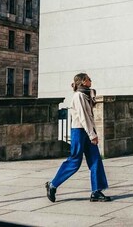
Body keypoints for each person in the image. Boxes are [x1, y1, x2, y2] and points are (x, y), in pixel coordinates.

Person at [45, 73, 112, 203]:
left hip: (87, 130)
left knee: (95, 159)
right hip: (80, 131)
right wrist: (92, 135)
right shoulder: (79, 96)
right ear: (82, 82)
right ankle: (52, 184)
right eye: (88, 79)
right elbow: (83, 117)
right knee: (75, 161)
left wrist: (92, 133)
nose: (91, 80)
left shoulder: (85, 94)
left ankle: (96, 191)